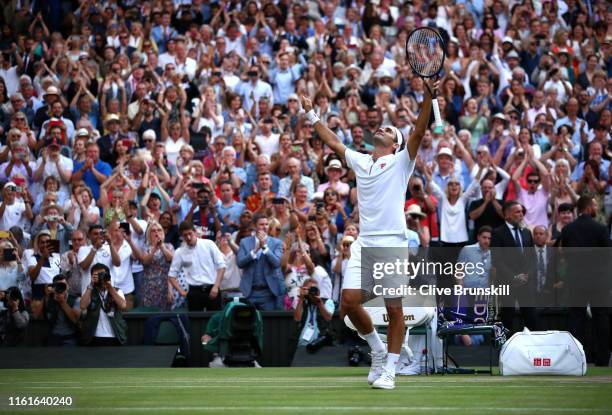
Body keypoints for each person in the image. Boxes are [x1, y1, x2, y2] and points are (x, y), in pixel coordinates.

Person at [299, 77, 436, 389]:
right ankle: (377, 349)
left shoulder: (403, 160)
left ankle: (391, 367)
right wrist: (311, 115)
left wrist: (427, 97)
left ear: (397, 145)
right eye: (382, 128)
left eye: (389, 130)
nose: (382, 129)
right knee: (347, 303)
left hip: (392, 245)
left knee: (393, 308)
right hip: (364, 244)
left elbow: (418, 130)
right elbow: (333, 141)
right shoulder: (361, 161)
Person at [560, 196, 611, 366]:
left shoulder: (568, 230)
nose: (596, 208)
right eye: (595, 205)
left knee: (576, 320)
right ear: (588, 207)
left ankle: (576, 360)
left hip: (576, 281)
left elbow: (565, 255)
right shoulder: (601, 229)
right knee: (601, 319)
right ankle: (603, 360)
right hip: (599, 282)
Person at [490, 200, 537, 333]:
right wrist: (514, 277)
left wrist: (527, 275)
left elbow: (533, 258)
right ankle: (505, 350)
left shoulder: (527, 232)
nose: (521, 214)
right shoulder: (498, 233)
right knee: (507, 318)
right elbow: (497, 260)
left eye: (522, 212)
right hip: (507, 283)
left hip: (526, 283)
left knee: (531, 318)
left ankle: (534, 348)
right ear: (507, 215)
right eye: (517, 212)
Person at [168, 221, 226, 312]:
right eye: (185, 235)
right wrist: (182, 292)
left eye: (190, 233)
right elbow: (171, 275)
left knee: (215, 320)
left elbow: (221, 266)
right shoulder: (179, 252)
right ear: (182, 236)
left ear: (195, 232)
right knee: (195, 323)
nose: (188, 237)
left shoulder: (209, 244)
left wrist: (216, 286)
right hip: (194, 291)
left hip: (212, 287)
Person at [236, 214, 284, 310]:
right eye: (261, 224)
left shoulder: (276, 243)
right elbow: (240, 263)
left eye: (266, 224)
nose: (265, 227)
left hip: (268, 293)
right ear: (254, 226)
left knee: (269, 323)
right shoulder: (244, 242)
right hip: (249, 292)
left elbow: (276, 263)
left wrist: (265, 248)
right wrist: (254, 251)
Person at [79, 263, 128, 346]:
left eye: (102, 275)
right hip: (94, 336)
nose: (100, 277)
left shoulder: (116, 291)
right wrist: (91, 285)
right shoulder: (89, 291)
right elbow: (83, 306)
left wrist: (109, 287)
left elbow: (123, 305)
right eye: (97, 275)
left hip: (115, 336)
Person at [43, 274, 81, 346]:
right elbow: (44, 317)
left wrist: (62, 302)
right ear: (53, 287)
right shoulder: (50, 299)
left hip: (70, 337)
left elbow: (75, 319)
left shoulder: (75, 299)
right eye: (58, 285)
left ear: (68, 286)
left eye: (63, 285)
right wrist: (47, 297)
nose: (62, 288)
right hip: (53, 337)